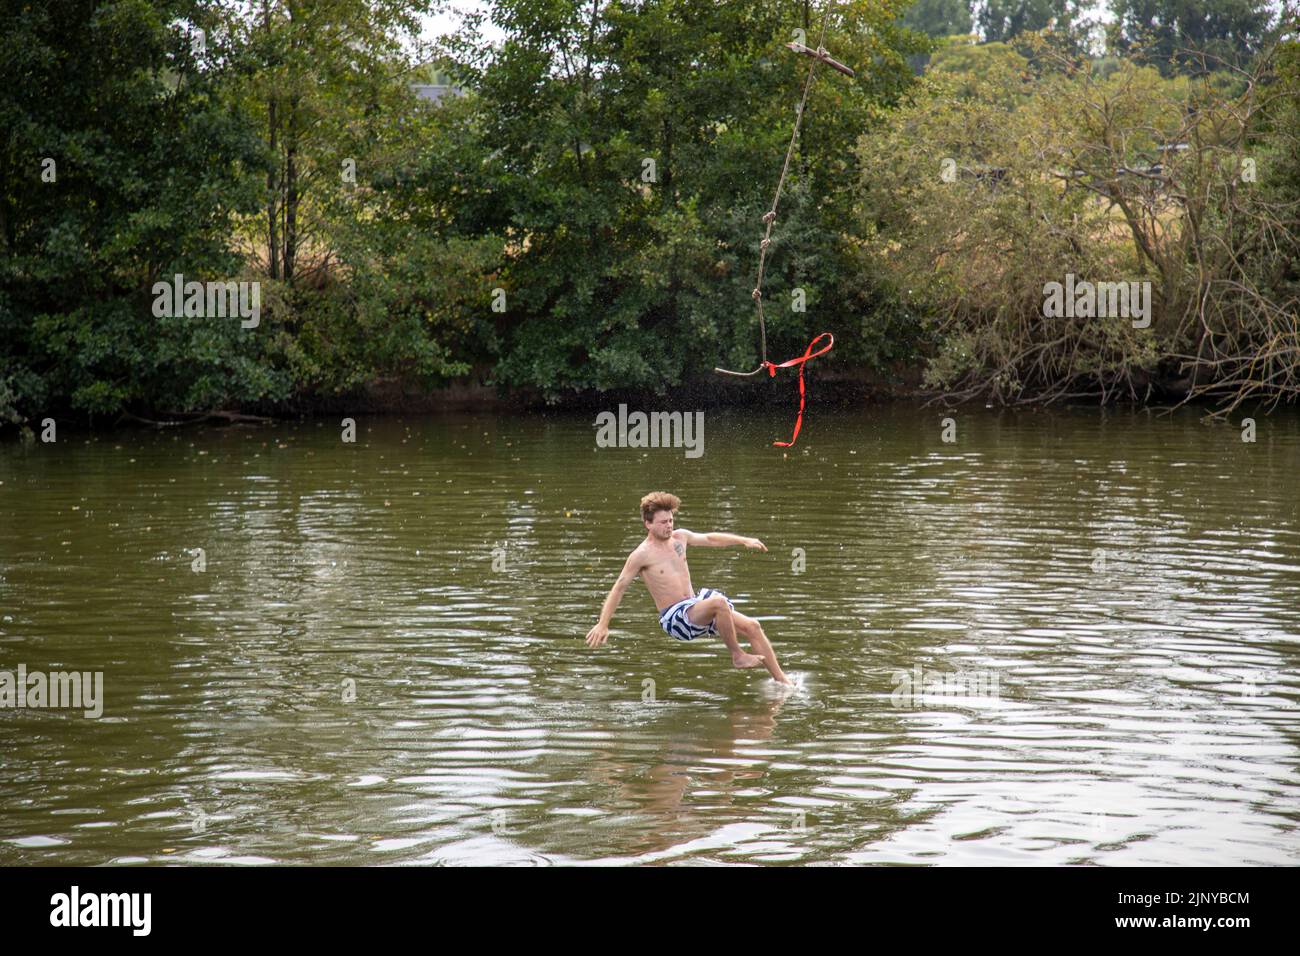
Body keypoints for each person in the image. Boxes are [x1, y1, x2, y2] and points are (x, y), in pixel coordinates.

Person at [585, 491, 791, 685]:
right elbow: (619, 587)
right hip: (675, 618)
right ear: (647, 523)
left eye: (671, 520)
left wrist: (743, 540)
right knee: (719, 603)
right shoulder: (641, 555)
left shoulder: (679, 537)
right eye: (663, 522)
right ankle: (737, 655)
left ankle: (783, 683)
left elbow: (710, 539)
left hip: (695, 605)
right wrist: (603, 624)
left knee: (753, 626)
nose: (669, 526)